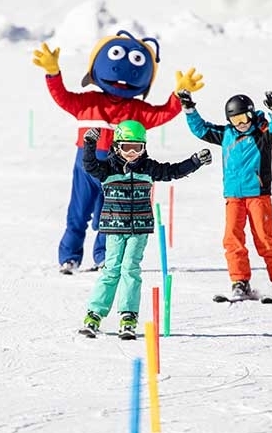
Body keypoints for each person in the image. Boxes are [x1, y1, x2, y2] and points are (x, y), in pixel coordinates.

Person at [32, 30, 204, 275]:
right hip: (85, 165)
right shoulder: (88, 102)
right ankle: (69, 257)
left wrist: (179, 96)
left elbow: (162, 113)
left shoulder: (137, 109)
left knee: (109, 215)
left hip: (115, 171)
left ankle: (103, 257)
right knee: (77, 213)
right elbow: (63, 97)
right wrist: (53, 73)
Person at [79, 120, 212, 339]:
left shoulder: (148, 168)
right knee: (112, 268)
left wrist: (195, 161)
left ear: (144, 147)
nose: (132, 153)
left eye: (137, 148)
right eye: (126, 148)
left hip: (139, 228)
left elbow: (173, 171)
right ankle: (94, 314)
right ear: (115, 147)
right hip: (114, 227)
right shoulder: (108, 168)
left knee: (130, 268)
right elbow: (90, 165)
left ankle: (128, 316)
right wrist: (90, 143)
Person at [177, 89, 272, 301]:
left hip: (258, 195)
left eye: (244, 118)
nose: (241, 123)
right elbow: (201, 129)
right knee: (232, 238)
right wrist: (189, 109)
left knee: (265, 238)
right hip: (233, 197)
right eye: (235, 119)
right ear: (229, 120)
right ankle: (239, 281)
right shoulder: (226, 134)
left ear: (251, 114)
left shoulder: (262, 133)